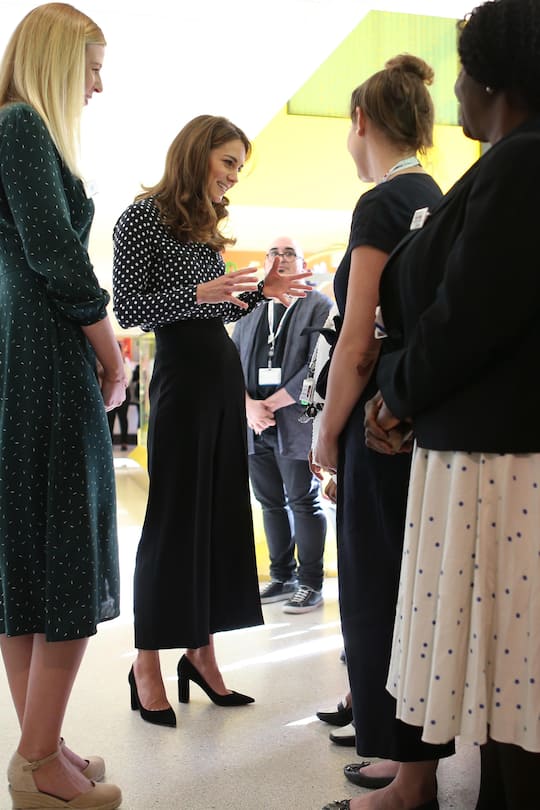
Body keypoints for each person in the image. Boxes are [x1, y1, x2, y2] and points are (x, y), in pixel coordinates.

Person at [354, 2, 540, 809]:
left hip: (501, 457)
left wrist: (393, 394)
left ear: (492, 79)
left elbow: (470, 315)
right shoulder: (506, 160)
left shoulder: (523, 162)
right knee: (505, 681)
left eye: (462, 70)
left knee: (514, 675)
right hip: (481, 444)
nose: (453, 89)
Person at [112, 115, 311, 727]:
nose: (233, 177)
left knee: (219, 516)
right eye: (228, 162)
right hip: (182, 382)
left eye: (238, 167)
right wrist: (200, 294)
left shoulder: (203, 225)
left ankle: (201, 652)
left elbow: (217, 306)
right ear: (197, 153)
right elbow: (130, 307)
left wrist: (259, 291)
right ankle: (146, 662)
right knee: (172, 521)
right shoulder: (140, 217)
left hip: (221, 378)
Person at [311, 55, 455, 810]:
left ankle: (407, 776)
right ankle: (412, 765)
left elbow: (357, 340)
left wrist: (325, 428)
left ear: (361, 121)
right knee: (413, 589)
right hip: (422, 421)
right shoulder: (437, 195)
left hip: (376, 422)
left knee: (375, 588)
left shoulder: (380, 204)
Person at [0, 4, 124, 809]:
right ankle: (38, 764)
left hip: (23, 357)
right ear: (57, 60)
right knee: (68, 559)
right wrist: (112, 353)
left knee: (27, 570)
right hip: (46, 359)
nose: (98, 87)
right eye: (93, 68)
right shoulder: (21, 126)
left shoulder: (11, 128)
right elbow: (56, 255)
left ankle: (39, 747)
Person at [231, 236, 332, 613]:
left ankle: (310, 583)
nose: (282, 259)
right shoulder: (249, 308)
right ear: (265, 262)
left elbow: (320, 365)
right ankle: (281, 576)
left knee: (303, 501)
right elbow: (231, 363)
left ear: (303, 264)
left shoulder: (318, 305)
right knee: (269, 502)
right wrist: (249, 407)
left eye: (290, 253)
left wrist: (270, 405)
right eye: (274, 253)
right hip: (254, 425)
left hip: (295, 421)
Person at [107, 342, 133, 449]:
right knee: (110, 418)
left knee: (123, 418)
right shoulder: (108, 360)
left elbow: (128, 377)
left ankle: (124, 442)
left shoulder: (125, 362)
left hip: (124, 391)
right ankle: (110, 442)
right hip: (112, 390)